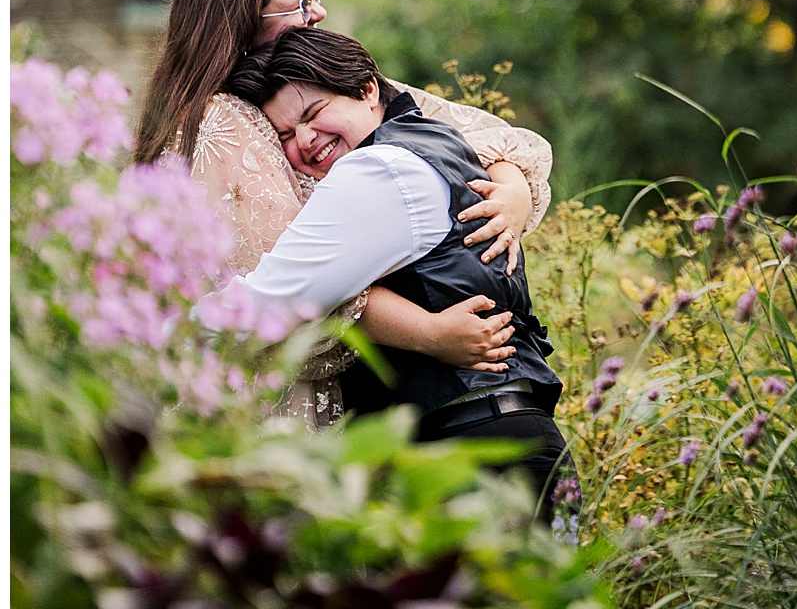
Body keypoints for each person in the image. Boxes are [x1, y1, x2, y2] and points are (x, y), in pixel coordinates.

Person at [134, 0, 550, 424]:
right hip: (267, 389)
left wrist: (511, 191)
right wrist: (426, 332)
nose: (318, 13)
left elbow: (487, 136)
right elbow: (304, 285)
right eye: (300, 4)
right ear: (240, 23)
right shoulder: (224, 122)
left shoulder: (321, 83)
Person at [217, 26, 572, 509]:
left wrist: (149, 324)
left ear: (367, 91)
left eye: (314, 113)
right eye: (284, 134)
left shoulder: (378, 171)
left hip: (475, 455)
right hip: (516, 440)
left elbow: (270, 302)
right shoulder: (435, 141)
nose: (303, 140)